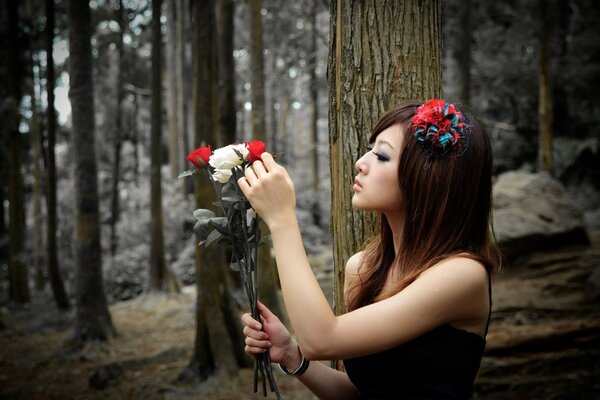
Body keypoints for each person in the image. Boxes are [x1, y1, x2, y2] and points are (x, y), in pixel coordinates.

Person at [237, 99, 502, 399]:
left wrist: (282, 220)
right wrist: (292, 356)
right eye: (370, 149)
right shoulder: (364, 269)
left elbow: (321, 340)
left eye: (381, 155)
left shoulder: (462, 275)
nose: (361, 162)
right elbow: (363, 392)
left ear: (428, 178)